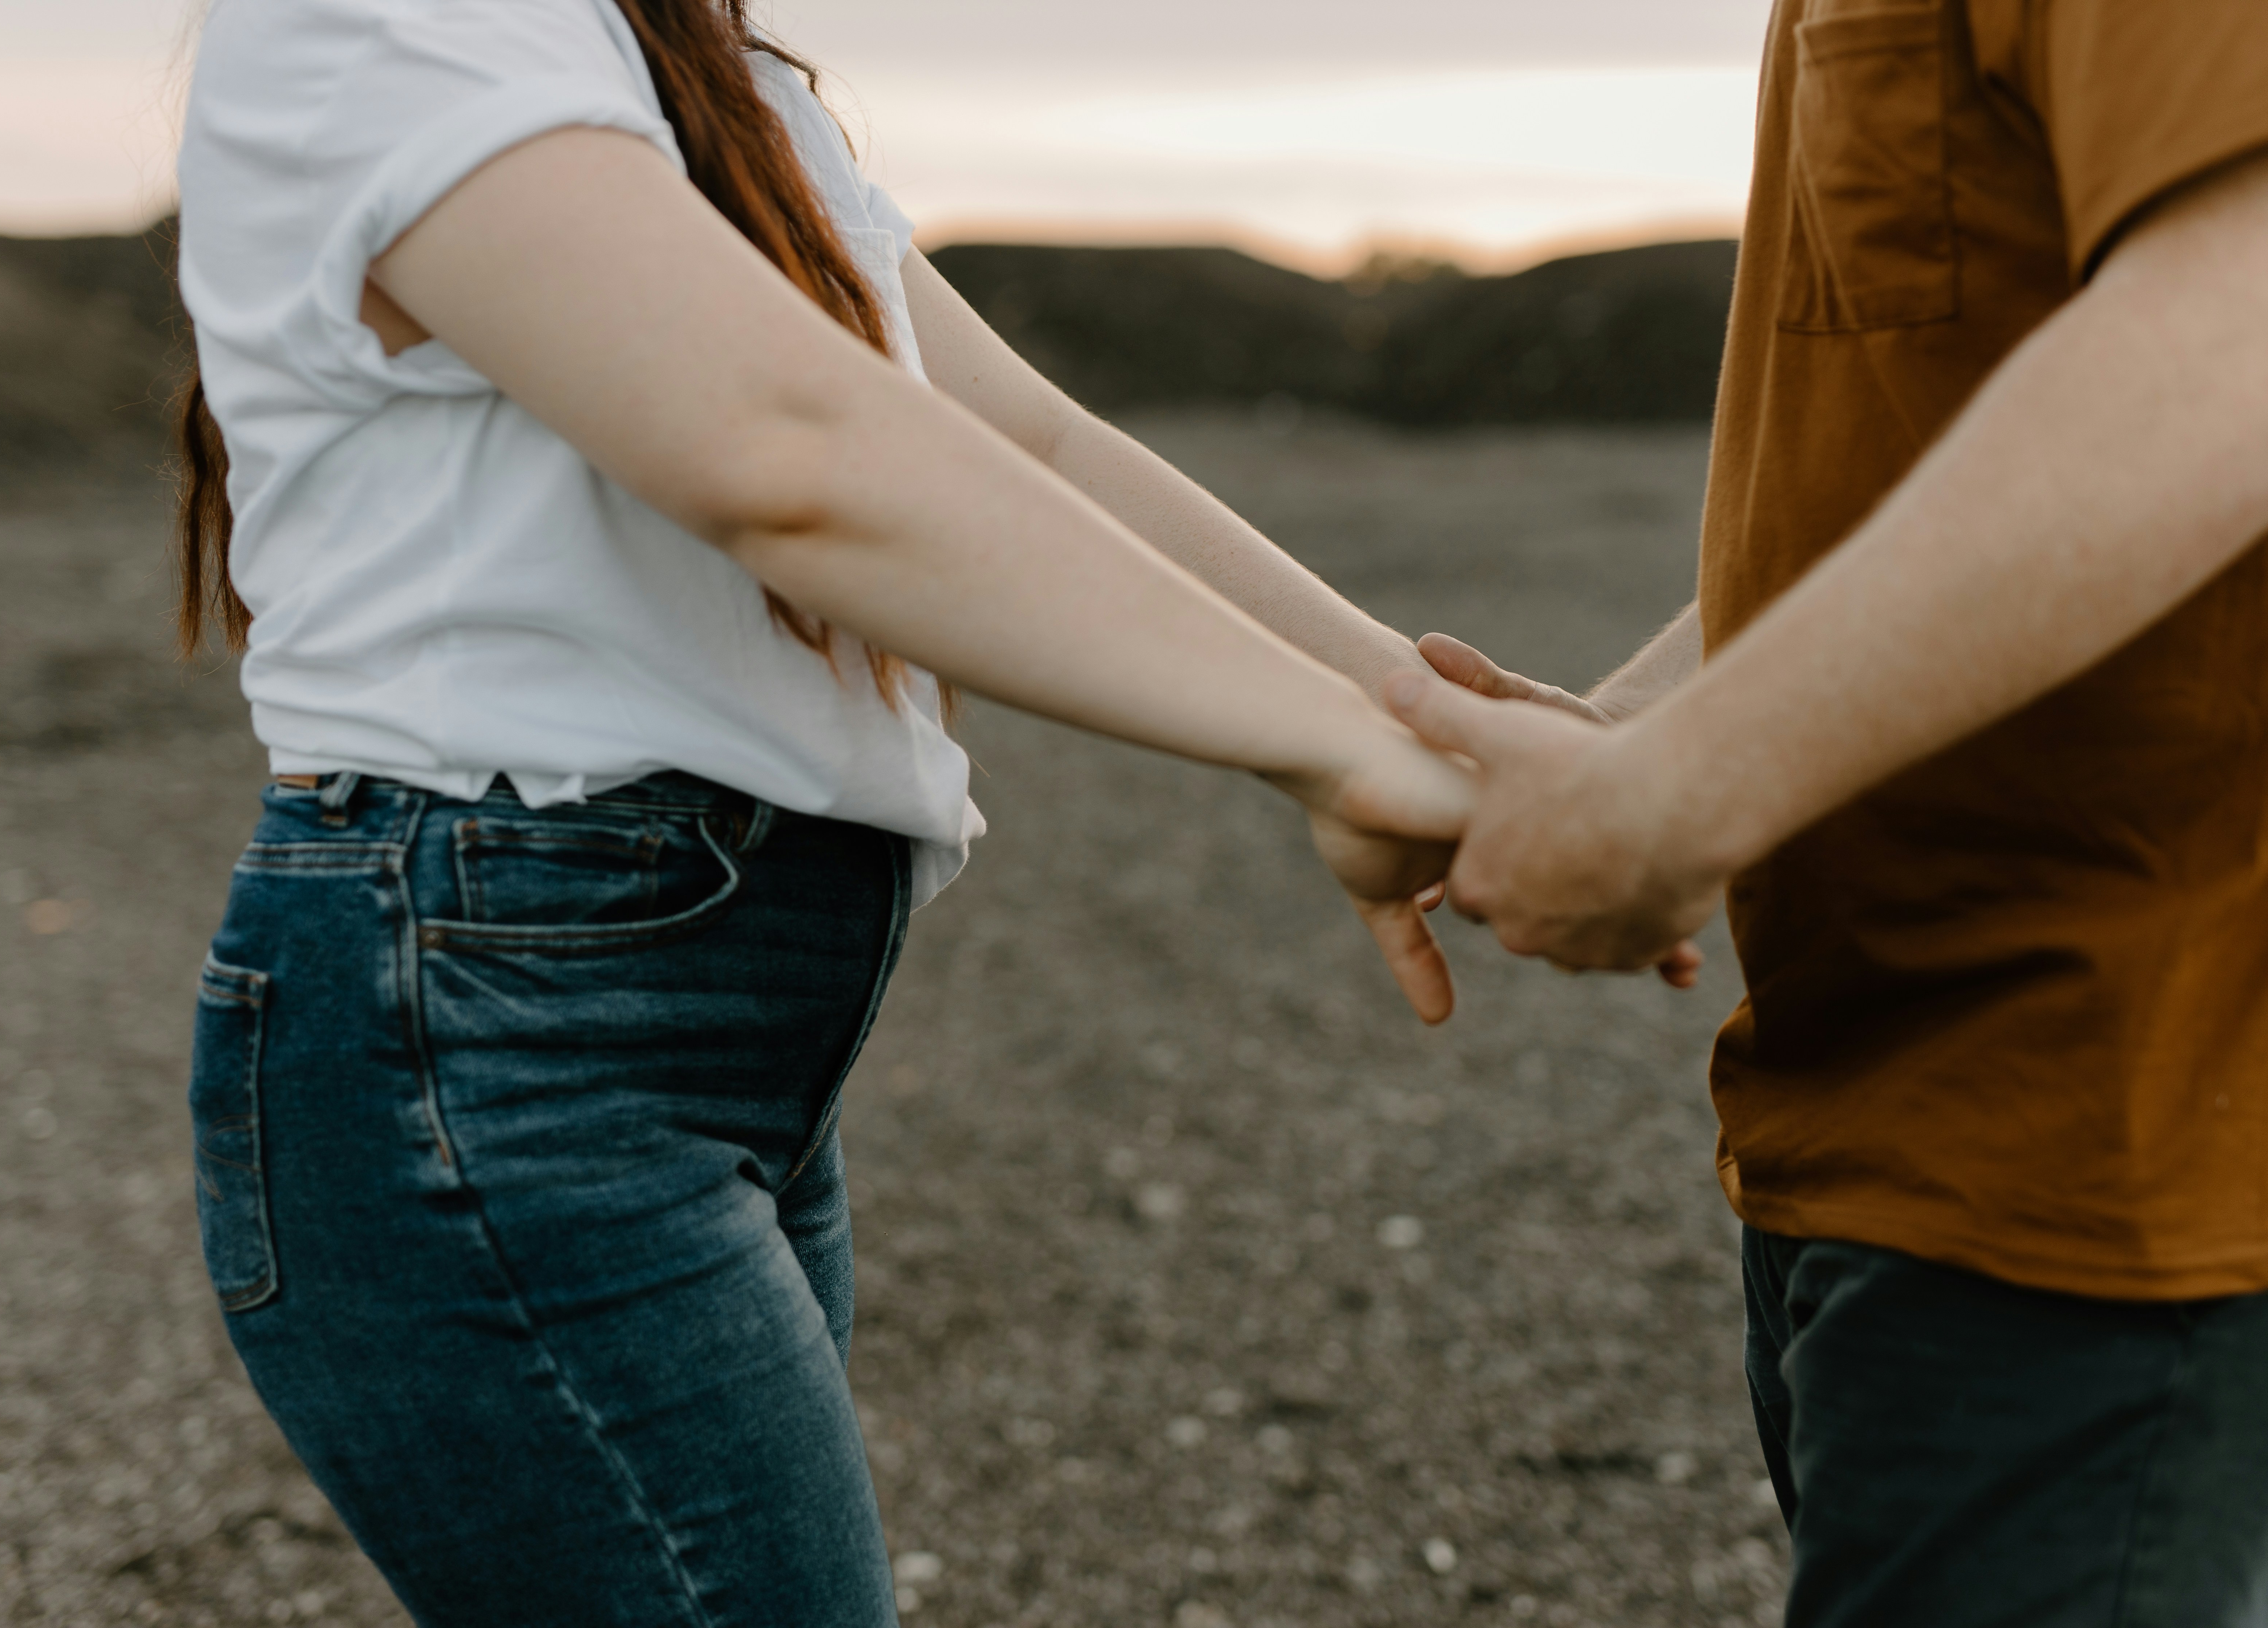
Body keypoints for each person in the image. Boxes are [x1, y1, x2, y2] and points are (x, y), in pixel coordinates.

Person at [166, 0, 1576, 1621]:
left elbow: (1019, 433)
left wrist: (1421, 711)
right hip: (491, 1028)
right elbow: (779, 449)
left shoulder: (695, 64)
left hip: (669, 1012)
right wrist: (1333, 754)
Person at [1397, 1, 2268, 1621]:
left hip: (2116, 1145)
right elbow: (1925, 434)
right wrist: (1639, 724)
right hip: (1881, 1113)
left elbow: (2233, 334)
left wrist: (1678, 795)